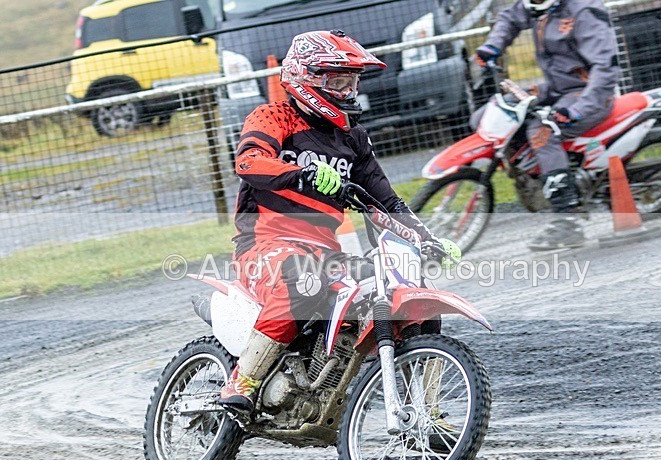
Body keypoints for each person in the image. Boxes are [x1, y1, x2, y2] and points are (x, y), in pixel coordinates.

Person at [220, 30, 460, 414]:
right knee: (300, 277)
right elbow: (248, 162)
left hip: (325, 252)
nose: (348, 91)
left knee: (416, 295)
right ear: (307, 77)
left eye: (352, 82)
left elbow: (385, 200)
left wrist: (427, 237)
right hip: (265, 244)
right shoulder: (273, 115)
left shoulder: (354, 138)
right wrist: (301, 174)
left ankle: (425, 412)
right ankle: (242, 381)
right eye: (337, 81)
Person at [476, 0, 620, 250]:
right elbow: (510, 17)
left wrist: (576, 110)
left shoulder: (584, 11)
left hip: (588, 94)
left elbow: (605, 68)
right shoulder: (538, 6)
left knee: (541, 131)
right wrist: (492, 46)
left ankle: (568, 220)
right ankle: (540, 175)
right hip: (556, 88)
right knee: (491, 113)